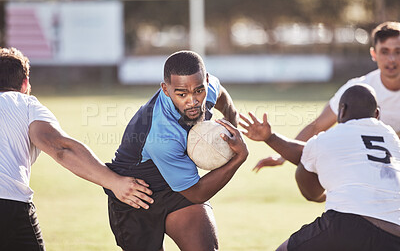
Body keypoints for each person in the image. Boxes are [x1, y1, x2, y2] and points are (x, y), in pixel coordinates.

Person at [0, 47, 154, 251]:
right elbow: (61, 149)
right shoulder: (25, 104)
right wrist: (114, 182)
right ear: (25, 84)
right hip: (9, 203)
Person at [105, 50, 248, 251]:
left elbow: (221, 94)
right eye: (181, 94)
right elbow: (197, 193)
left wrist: (230, 124)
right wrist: (239, 157)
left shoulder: (209, 89)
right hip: (135, 197)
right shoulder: (161, 135)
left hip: (178, 190)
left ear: (206, 81)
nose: (193, 101)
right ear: (165, 89)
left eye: (199, 90)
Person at [240, 84, 400, 250]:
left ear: (342, 110)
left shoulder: (328, 138)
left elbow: (304, 156)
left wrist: (270, 138)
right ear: (377, 114)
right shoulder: (391, 139)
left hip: (348, 221)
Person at [253, 21, 400, 172]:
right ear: (373, 54)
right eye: (385, 51)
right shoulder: (358, 89)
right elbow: (317, 126)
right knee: (306, 171)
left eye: (397, 51)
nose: (391, 59)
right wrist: (282, 156)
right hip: (369, 168)